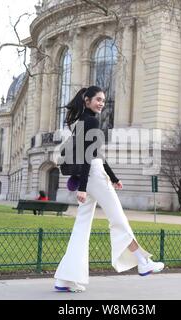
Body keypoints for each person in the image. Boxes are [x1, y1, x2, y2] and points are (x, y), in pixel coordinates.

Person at [54, 86, 164, 293]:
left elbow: (95, 154)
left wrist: (113, 177)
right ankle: (142, 262)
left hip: (92, 175)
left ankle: (65, 279)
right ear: (86, 100)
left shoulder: (81, 122)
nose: (101, 103)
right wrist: (84, 188)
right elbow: (89, 158)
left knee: (81, 228)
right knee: (118, 219)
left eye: (103, 100)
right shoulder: (92, 121)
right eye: (98, 99)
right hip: (93, 176)